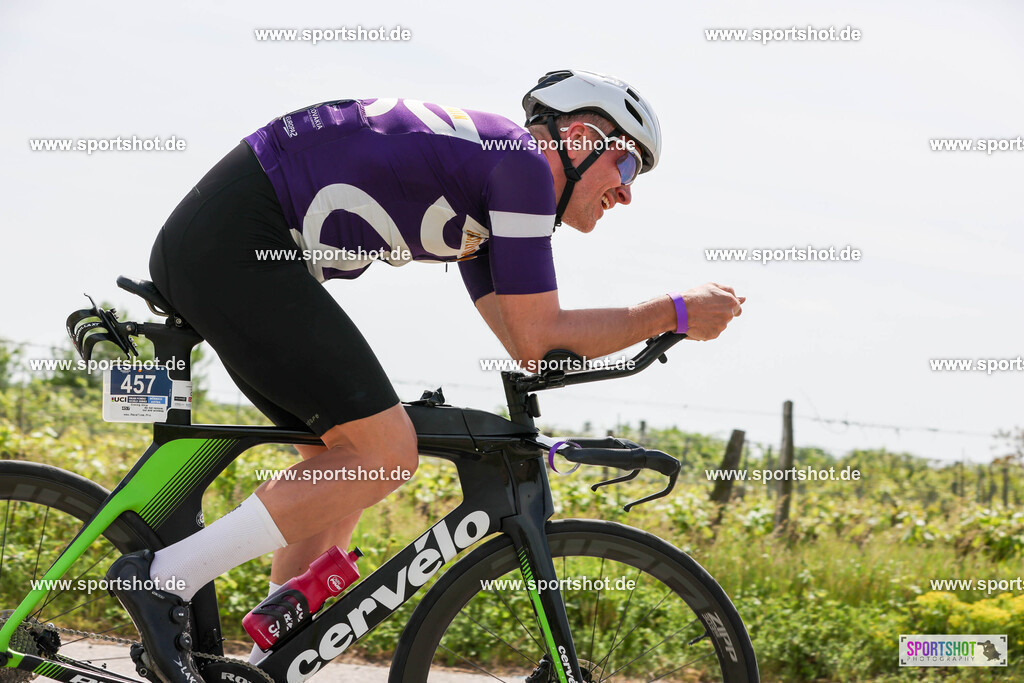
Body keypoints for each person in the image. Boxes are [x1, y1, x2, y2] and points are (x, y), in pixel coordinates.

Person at [106, 69, 744, 683]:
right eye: (627, 164)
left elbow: (527, 344)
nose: (627, 190)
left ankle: (265, 671)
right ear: (579, 139)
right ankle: (162, 578)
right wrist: (675, 311)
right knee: (384, 454)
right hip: (239, 242)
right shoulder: (521, 165)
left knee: (342, 470)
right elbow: (538, 332)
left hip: (232, 241)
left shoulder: (499, 187)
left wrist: (650, 331)